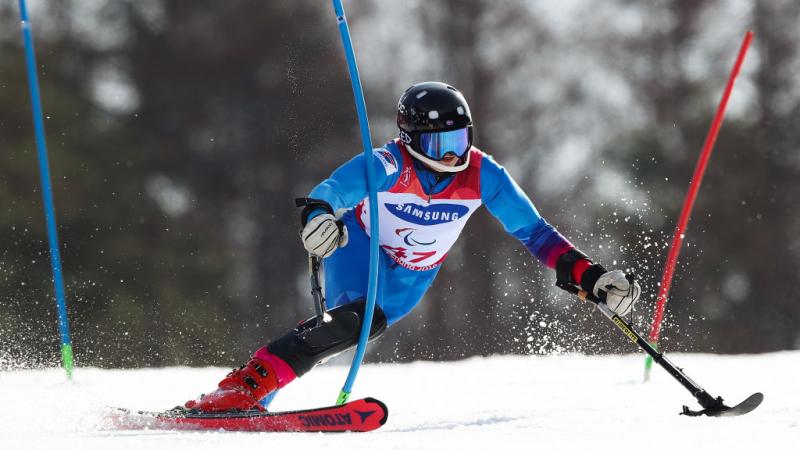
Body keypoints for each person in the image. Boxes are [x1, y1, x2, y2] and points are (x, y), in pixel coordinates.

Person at [184, 81, 641, 412]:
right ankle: (246, 387)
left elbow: (536, 234)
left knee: (361, 324)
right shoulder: (389, 162)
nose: (451, 156)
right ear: (410, 138)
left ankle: (250, 391)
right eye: (439, 143)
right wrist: (319, 215)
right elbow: (333, 190)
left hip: (412, 275)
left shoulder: (484, 175)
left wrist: (590, 275)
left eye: (459, 140)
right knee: (353, 319)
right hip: (361, 246)